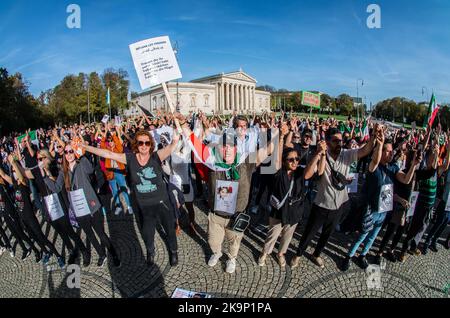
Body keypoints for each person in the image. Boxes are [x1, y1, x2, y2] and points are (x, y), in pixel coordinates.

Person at [81, 130, 180, 267]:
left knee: (169, 230)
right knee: (147, 232)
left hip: (162, 202)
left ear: (150, 144)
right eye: (140, 143)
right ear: (136, 144)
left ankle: (173, 251)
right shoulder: (130, 158)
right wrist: (86, 147)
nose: (143, 145)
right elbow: (108, 154)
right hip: (144, 205)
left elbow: (173, 144)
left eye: (146, 142)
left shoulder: (156, 156)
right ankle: (150, 251)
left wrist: (177, 128)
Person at [291, 126, 377, 269]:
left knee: (327, 235)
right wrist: (319, 153)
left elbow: (365, 150)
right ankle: (298, 254)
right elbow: (307, 175)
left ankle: (316, 254)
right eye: (335, 141)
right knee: (309, 233)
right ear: (327, 141)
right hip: (321, 204)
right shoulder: (321, 154)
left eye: (341, 140)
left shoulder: (347, 154)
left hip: (339, 205)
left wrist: (373, 136)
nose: (339, 143)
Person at [341, 136, 419, 271]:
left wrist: (414, 165)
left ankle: (362, 255)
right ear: (380, 152)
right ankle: (348, 256)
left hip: (384, 210)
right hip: (371, 210)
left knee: (372, 237)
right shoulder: (374, 167)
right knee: (362, 236)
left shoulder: (394, 168)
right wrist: (380, 144)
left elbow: (406, 180)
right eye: (387, 151)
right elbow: (375, 161)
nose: (391, 153)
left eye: (391, 151)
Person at [47, 143, 121, 267]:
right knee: (90, 235)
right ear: (64, 155)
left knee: (100, 233)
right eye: (66, 152)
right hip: (79, 208)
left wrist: (81, 155)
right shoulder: (63, 171)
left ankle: (113, 254)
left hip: (91, 204)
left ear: (74, 152)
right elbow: (56, 188)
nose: (69, 154)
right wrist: (46, 176)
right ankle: (101, 254)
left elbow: (90, 170)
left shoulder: (82, 164)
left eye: (71, 151)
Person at [258, 145, 310, 267]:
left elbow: (310, 172)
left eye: (297, 159)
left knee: (287, 236)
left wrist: (319, 154)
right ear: (283, 161)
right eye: (291, 159)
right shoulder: (278, 173)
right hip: (278, 211)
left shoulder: (300, 172)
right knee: (273, 234)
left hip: (294, 212)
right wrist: (280, 139)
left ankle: (280, 253)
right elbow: (276, 161)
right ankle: (265, 252)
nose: (295, 162)